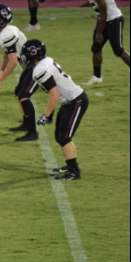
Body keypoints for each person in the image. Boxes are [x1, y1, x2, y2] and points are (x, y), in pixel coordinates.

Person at [19, 40, 89, 181]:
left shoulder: (40, 69)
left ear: (34, 55)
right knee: (59, 136)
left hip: (75, 101)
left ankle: (74, 171)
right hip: (69, 101)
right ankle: (70, 165)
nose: (24, 58)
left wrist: (46, 115)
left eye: (26, 55)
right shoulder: (45, 61)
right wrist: (50, 113)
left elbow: (54, 94)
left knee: (64, 137)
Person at [0, 4, 39, 141]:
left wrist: (1, 79)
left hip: (38, 66)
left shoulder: (7, 33)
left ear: (2, 20)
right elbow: (5, 56)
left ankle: (33, 133)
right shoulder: (0, 33)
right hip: (30, 66)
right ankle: (27, 125)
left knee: (23, 95)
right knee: (19, 92)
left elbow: (13, 62)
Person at [75, 0, 130, 85]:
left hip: (114, 20)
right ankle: (97, 77)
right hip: (104, 20)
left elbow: (104, 11)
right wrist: (98, 27)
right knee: (96, 48)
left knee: (118, 50)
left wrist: (99, 32)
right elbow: (99, 12)